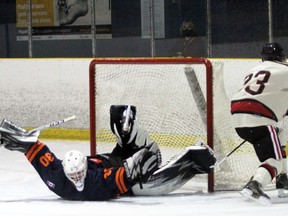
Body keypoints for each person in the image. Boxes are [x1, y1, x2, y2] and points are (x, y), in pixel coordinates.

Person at [0, 105, 216, 200]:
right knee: (148, 181)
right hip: (133, 175)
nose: (76, 178)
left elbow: (38, 154)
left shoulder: (56, 177)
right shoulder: (97, 184)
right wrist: (141, 159)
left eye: (76, 173)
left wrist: (19, 140)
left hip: (116, 158)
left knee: (118, 116)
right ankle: (195, 161)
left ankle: (126, 122)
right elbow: (130, 171)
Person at [230, 42, 288, 205]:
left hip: (238, 116)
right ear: (282, 57)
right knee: (273, 160)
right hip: (259, 115)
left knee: (280, 133)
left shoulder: (253, 70)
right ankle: (255, 185)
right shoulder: (285, 70)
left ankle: (282, 178)